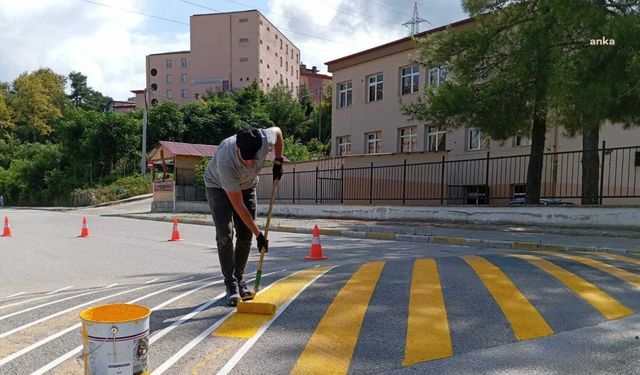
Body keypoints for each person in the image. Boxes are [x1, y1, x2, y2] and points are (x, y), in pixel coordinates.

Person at [204, 127, 284, 306]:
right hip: (218, 187)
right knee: (225, 234)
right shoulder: (226, 158)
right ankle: (230, 285)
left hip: (247, 186)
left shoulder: (264, 139)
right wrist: (260, 235)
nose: (250, 163)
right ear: (238, 148)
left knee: (245, 236)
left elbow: (278, 132)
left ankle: (239, 279)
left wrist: (278, 160)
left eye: (253, 158)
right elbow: (238, 205)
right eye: (245, 158)